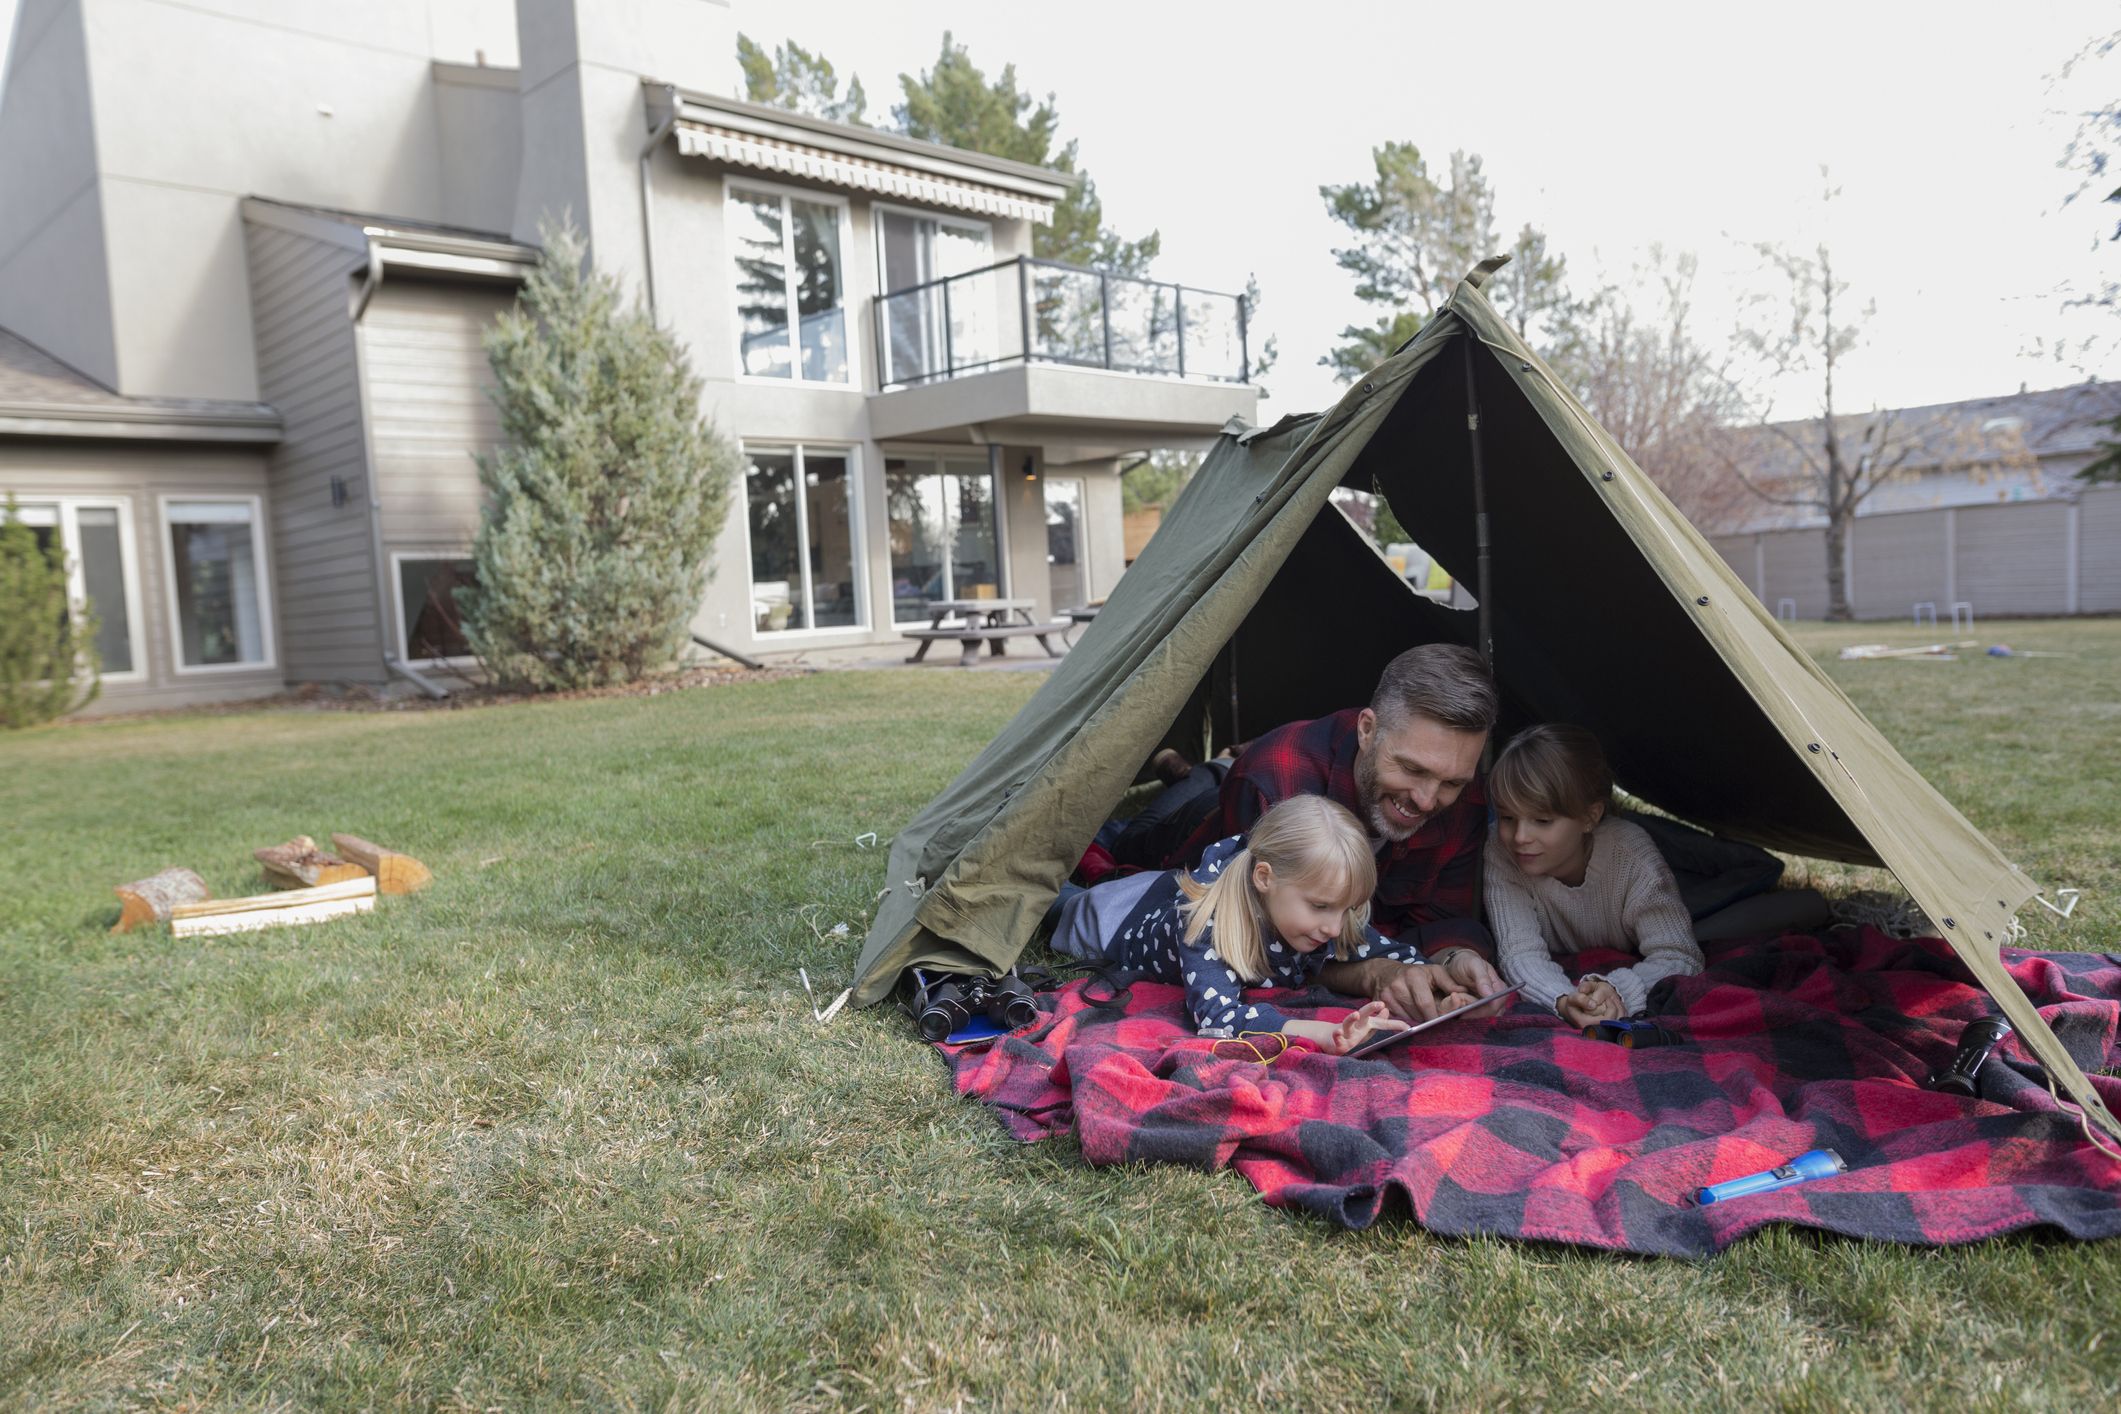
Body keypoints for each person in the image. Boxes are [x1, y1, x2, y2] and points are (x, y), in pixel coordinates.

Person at [1164, 643, 1508, 1022]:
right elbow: (1266, 949)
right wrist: (1374, 974)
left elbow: (1441, 919)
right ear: (1367, 730)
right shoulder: (1274, 782)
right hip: (1193, 821)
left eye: (1451, 782)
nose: (1427, 801)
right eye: (1413, 769)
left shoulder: (1464, 797)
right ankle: (1199, 772)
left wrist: (1455, 958)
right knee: (1156, 819)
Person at [1050, 796, 1469, 1051]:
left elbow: (1383, 951)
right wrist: (1323, 1033)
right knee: (1048, 901)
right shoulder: (1209, 925)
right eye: (1322, 906)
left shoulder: (1324, 914)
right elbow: (1218, 1019)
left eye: (1345, 909)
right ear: (1265, 878)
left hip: (1163, 891)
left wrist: (1439, 986)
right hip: (1111, 921)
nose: (1334, 927)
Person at [1483, 724, 1704, 1027]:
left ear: (1590, 817)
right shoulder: (1500, 850)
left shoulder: (1629, 855)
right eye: (1507, 817)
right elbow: (1519, 953)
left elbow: (1680, 954)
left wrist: (1617, 990)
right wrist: (1563, 999)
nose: (1520, 836)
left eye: (1542, 820)